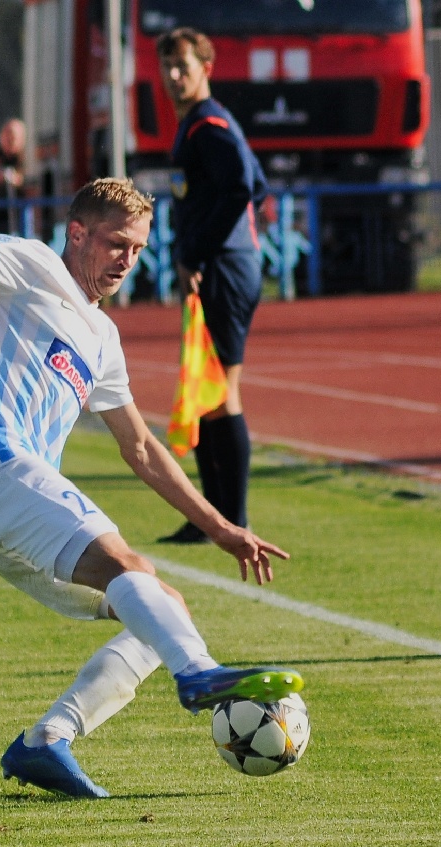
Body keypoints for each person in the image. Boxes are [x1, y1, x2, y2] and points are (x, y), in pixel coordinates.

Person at [0, 178, 303, 799]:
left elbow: (140, 447)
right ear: (77, 233)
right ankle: (199, 674)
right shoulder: (34, 266)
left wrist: (223, 528)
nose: (127, 260)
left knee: (161, 605)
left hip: (2, 506)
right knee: (127, 566)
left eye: (138, 249)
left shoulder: (103, 338)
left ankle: (47, 740)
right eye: (116, 243)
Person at [156, 27, 271, 544]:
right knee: (202, 389)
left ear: (206, 67)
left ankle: (235, 519)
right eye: (167, 67)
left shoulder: (209, 125)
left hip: (223, 267)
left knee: (222, 392)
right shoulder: (199, 123)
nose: (173, 76)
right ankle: (210, 518)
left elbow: (244, 187)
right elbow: (257, 183)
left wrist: (199, 251)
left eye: (182, 66)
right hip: (212, 263)